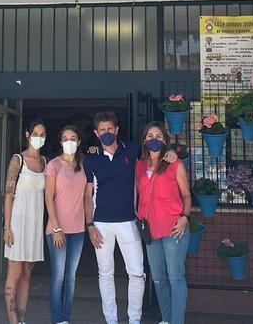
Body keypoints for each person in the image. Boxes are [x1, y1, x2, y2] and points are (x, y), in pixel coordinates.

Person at [83, 112, 177, 324]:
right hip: (101, 225)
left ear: (116, 130)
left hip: (129, 222)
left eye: (110, 129)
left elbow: (155, 151)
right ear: (96, 133)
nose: (107, 133)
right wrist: (89, 225)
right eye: (102, 130)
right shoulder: (91, 158)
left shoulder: (133, 150)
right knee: (105, 274)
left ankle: (134, 319)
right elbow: (87, 195)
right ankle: (111, 320)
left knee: (136, 273)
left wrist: (170, 151)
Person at [136, 122, 192, 324]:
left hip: (173, 229)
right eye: (150, 135)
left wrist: (185, 216)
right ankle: (167, 319)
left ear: (165, 140)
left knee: (175, 277)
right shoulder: (140, 166)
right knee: (158, 278)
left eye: (158, 136)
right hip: (150, 230)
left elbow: (186, 194)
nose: (154, 139)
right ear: (144, 140)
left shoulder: (174, 164)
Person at [4, 118, 47, 324]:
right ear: (27, 135)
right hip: (18, 223)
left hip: (35, 224)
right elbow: (8, 195)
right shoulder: (17, 160)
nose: (39, 138)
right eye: (35, 134)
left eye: (42, 134)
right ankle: (12, 320)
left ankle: (22, 319)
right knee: (14, 274)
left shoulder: (45, 162)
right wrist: (7, 227)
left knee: (27, 275)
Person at [44, 126, 87, 324]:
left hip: (78, 230)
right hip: (57, 230)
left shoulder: (83, 164)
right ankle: (56, 319)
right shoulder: (54, 165)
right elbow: (49, 198)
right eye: (65, 138)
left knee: (71, 278)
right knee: (58, 278)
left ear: (78, 142)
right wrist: (56, 228)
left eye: (73, 138)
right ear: (60, 142)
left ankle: (65, 318)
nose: (69, 141)